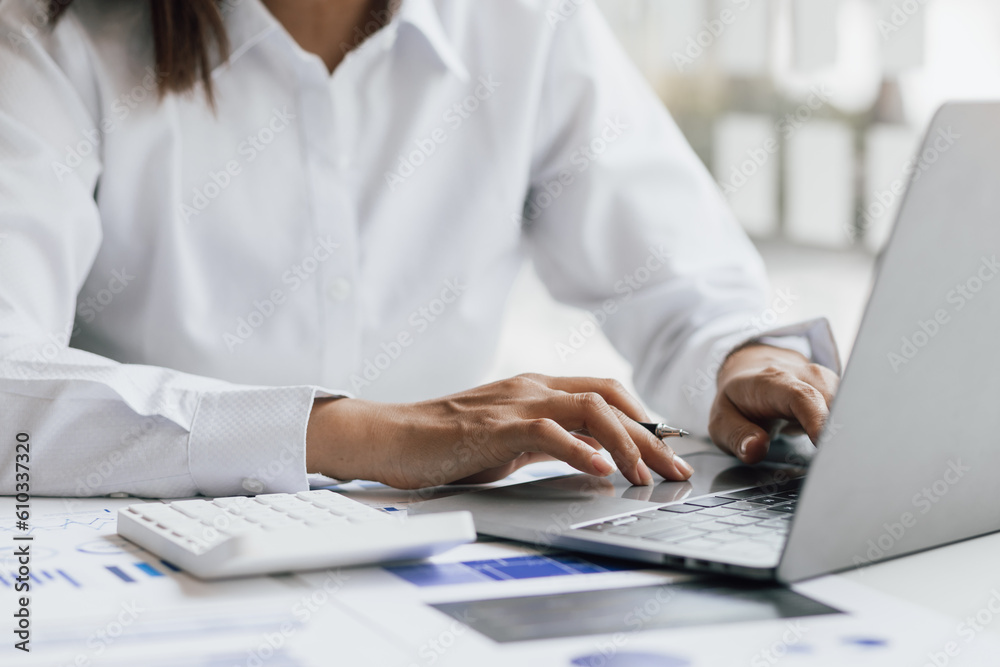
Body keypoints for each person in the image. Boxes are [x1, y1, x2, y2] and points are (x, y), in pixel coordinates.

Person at [0, 0, 840, 498]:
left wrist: (744, 361)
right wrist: (370, 437)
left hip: (436, 572)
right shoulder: (48, 35)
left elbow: (682, 290)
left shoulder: (522, 21)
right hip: (153, 575)